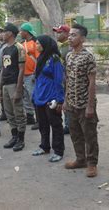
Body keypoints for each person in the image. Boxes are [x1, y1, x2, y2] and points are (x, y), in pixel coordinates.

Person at [63, 24, 99, 178]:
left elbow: (92, 82)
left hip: (85, 104)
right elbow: (68, 80)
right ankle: (80, 159)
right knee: (75, 133)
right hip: (71, 103)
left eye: (74, 35)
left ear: (82, 38)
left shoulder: (88, 57)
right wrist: (65, 100)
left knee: (89, 135)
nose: (70, 38)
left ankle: (92, 163)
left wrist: (90, 106)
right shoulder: (69, 56)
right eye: (70, 35)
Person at [31, 35, 65, 163]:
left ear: (46, 44)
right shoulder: (41, 57)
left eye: (39, 44)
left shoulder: (54, 59)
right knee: (42, 124)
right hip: (39, 96)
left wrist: (59, 100)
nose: (37, 46)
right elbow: (38, 78)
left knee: (55, 124)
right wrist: (34, 95)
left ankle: (58, 151)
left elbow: (59, 80)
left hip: (51, 97)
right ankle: (44, 147)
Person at [0, 23, 26, 152]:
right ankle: (14, 136)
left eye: (4, 32)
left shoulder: (18, 48)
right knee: (9, 112)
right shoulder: (5, 49)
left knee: (18, 112)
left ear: (10, 33)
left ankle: (21, 139)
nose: (2, 34)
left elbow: (21, 70)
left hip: (14, 84)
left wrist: (19, 89)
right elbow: (3, 69)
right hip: (5, 84)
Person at [19, 22, 39, 129]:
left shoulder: (35, 43)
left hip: (32, 74)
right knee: (26, 97)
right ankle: (30, 117)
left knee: (33, 97)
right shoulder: (22, 44)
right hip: (23, 75)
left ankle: (39, 119)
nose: (20, 32)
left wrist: (36, 73)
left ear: (26, 32)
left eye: (21, 30)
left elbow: (39, 59)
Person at [53, 24, 71, 134]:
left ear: (66, 33)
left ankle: (69, 125)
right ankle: (67, 123)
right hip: (60, 78)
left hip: (67, 79)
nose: (57, 34)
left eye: (59, 32)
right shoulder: (60, 46)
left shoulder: (69, 47)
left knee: (68, 102)